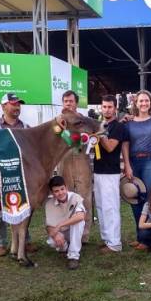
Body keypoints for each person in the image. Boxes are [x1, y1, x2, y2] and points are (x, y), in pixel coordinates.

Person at [0, 92, 36, 256]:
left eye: (18, 104)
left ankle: (24, 240)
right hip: (0, 177)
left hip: (22, 177)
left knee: (23, 209)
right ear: (3, 106)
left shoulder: (26, 128)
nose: (17, 107)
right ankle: (0, 243)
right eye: (13, 104)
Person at [122, 90, 151, 247]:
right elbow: (125, 145)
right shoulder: (129, 123)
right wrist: (127, 165)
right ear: (135, 103)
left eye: (146, 101)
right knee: (134, 198)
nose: (143, 103)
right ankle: (141, 236)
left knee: (149, 198)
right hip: (134, 162)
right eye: (140, 101)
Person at [58, 90, 93, 244]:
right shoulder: (57, 121)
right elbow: (54, 137)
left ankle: (84, 236)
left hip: (82, 160)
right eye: (66, 101)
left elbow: (93, 135)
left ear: (76, 103)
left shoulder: (85, 121)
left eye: (71, 101)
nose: (68, 104)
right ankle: (66, 234)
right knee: (64, 198)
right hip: (64, 162)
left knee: (85, 198)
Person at [93, 95, 125, 254]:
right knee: (100, 207)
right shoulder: (100, 124)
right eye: (104, 106)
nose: (107, 109)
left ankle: (115, 243)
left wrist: (99, 133)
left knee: (110, 208)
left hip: (110, 172)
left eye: (110, 107)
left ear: (115, 108)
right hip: (97, 170)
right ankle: (107, 239)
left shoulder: (118, 127)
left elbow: (110, 147)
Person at [44, 176, 85, 270]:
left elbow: (81, 216)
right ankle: (65, 248)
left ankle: (73, 256)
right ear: (52, 193)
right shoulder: (49, 204)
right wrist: (55, 235)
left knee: (78, 222)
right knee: (51, 241)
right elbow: (48, 227)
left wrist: (59, 225)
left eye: (62, 189)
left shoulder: (75, 197)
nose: (60, 193)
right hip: (62, 232)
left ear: (66, 188)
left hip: (73, 231)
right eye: (56, 191)